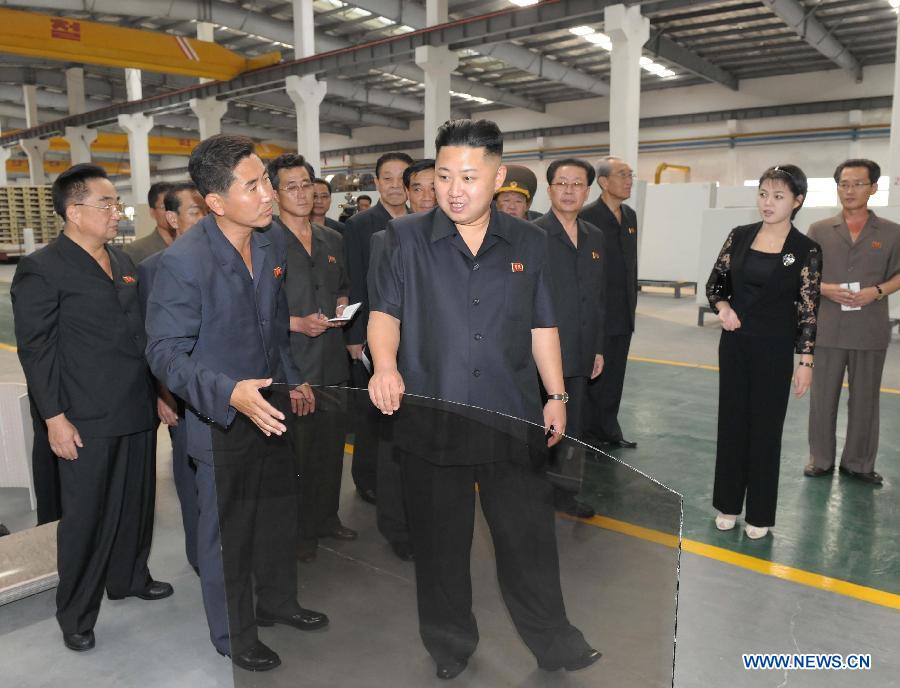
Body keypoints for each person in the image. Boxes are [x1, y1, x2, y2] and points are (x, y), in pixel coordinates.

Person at [369, 119, 600, 680]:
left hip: (508, 412)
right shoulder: (402, 239)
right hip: (433, 412)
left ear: (497, 177)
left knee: (527, 539)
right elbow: (385, 313)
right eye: (444, 175)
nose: (453, 189)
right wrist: (384, 366)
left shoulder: (529, 241)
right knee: (441, 544)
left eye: (469, 177)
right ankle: (450, 646)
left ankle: (555, 641)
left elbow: (543, 323)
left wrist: (556, 394)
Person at [145, 135, 325, 672]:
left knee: (275, 515)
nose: (269, 194)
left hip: (268, 406)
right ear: (216, 202)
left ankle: (278, 602)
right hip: (221, 416)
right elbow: (163, 353)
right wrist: (228, 391)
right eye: (254, 186)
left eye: (266, 181)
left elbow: (271, 327)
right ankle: (234, 634)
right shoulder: (183, 263)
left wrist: (290, 379)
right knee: (226, 533)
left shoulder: (267, 244)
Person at [11, 163, 170, 653]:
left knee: (136, 501)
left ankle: (128, 577)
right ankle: (76, 610)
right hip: (84, 417)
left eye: (114, 203)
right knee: (86, 516)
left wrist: (162, 394)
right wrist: (54, 418)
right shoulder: (44, 267)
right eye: (105, 203)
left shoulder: (122, 261)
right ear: (74, 211)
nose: (115, 211)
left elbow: (140, 334)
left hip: (135, 407)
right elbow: (36, 349)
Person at [706, 165, 821, 540]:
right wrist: (723, 308)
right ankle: (727, 504)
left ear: (797, 201)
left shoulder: (806, 250)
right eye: (763, 195)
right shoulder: (738, 236)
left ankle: (760, 512)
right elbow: (716, 283)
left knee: (766, 428)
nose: (768, 204)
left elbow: (808, 309)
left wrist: (805, 361)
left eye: (778, 196)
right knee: (732, 422)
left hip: (774, 348)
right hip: (735, 344)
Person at [268, 153, 356, 562]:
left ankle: (326, 518)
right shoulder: (263, 242)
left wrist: (341, 310)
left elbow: (341, 289)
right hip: (291, 366)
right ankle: (299, 531)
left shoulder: (331, 239)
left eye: (306, 185)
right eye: (292, 186)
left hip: (332, 363)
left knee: (329, 447)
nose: (302, 194)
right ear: (274, 193)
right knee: (296, 456)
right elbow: (254, 310)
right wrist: (295, 323)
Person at [805, 159, 900, 485]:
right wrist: (826, 289)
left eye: (858, 183)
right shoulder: (818, 230)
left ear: (873, 188)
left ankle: (858, 463)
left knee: (865, 400)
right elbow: (804, 276)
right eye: (844, 184)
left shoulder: (891, 232)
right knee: (822, 399)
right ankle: (820, 459)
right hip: (828, 327)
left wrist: (877, 291)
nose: (850, 190)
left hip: (870, 329)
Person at [367, 158, 436, 561]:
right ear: (406, 195)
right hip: (403, 359)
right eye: (418, 188)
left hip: (442, 363)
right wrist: (385, 363)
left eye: (434, 186)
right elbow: (382, 307)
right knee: (397, 450)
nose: (427, 195)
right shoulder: (388, 238)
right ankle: (397, 527)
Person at [137, 181, 207, 573]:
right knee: (190, 474)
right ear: (172, 218)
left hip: (225, 390)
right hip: (182, 392)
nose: (203, 219)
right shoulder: (154, 268)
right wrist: (164, 394)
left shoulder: (228, 258)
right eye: (195, 212)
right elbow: (154, 341)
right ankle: (200, 557)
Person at [534, 158, 606, 519]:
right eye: (561, 183)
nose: (568, 190)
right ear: (549, 189)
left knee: (573, 426)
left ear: (587, 191)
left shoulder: (596, 237)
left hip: (579, 351)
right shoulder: (532, 235)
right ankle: (530, 493)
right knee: (536, 423)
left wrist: (597, 347)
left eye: (577, 184)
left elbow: (597, 298)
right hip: (539, 353)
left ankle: (565, 492)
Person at [343, 151, 413, 504]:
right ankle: (366, 478)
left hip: (412, 334)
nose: (395, 184)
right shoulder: (361, 225)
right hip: (373, 331)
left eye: (403, 177)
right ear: (376, 182)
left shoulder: (421, 222)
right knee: (373, 410)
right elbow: (356, 281)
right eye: (387, 177)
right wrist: (355, 336)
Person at [579, 157, 639, 449]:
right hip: (598, 312)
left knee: (615, 375)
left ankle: (609, 430)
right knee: (593, 376)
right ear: (603, 182)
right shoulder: (587, 218)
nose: (629, 180)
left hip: (623, 312)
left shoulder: (629, 217)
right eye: (622, 175)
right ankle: (588, 433)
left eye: (630, 175)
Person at [123, 181, 175, 264]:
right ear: (152, 212)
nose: (170, 212)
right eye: (164, 207)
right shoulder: (136, 250)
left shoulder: (190, 244)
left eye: (174, 206)